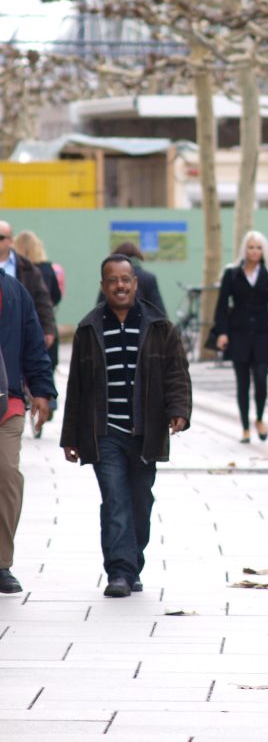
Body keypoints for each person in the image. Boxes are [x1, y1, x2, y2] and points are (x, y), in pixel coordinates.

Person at [60, 254, 192, 598]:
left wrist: (178, 409)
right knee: (115, 500)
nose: (120, 286)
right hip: (105, 433)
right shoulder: (89, 328)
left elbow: (177, 373)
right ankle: (119, 572)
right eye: (113, 280)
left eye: (126, 280)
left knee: (139, 502)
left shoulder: (159, 326)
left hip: (145, 433)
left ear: (135, 283)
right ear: (104, 286)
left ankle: (132, 562)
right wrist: (70, 435)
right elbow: (77, 385)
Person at [0, 269, 55, 592]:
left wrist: (42, 391)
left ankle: (2, 563)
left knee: (6, 474)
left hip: (8, 404)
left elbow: (34, 344)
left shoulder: (14, 292)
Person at [213, 231, 268, 444]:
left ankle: (260, 418)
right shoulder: (232, 274)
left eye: (258, 247)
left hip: (263, 334)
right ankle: (245, 426)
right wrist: (222, 332)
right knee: (242, 382)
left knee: (262, 379)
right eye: (251, 247)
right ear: (244, 249)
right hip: (239, 334)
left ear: (264, 251)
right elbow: (222, 306)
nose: (255, 251)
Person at [14, 230, 62, 436]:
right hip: (44, 324)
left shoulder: (18, 270)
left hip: (23, 325)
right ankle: (45, 402)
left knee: (21, 368)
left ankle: (27, 401)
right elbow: (55, 297)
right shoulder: (47, 269)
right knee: (45, 365)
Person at [0, 220, 56, 352]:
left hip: (17, 331)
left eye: (0, 238)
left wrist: (48, 329)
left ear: (10, 241)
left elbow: (42, 300)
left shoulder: (27, 268)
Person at [96, 240, 166, 315]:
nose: (120, 285)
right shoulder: (148, 278)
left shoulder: (109, 278)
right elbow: (159, 311)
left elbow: (99, 310)